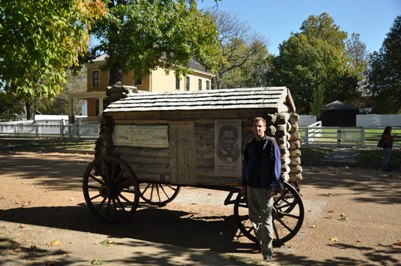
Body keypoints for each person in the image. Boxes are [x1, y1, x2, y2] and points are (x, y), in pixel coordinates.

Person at [241, 117, 281, 261]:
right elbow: (246, 166)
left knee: (266, 220)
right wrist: (244, 184)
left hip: (265, 188)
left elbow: (277, 165)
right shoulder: (250, 146)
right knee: (254, 218)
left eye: (260, 126)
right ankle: (261, 242)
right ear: (252, 128)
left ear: (264, 128)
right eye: (255, 126)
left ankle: (267, 253)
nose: (257, 128)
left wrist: (273, 186)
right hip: (251, 187)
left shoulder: (271, 143)